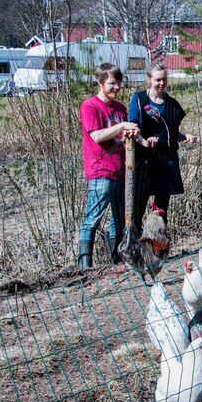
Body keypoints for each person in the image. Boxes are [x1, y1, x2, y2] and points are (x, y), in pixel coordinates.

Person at [78, 63, 151, 269]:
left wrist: (143, 140)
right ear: (100, 82)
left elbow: (127, 134)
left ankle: (116, 260)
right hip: (101, 172)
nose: (117, 87)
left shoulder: (119, 108)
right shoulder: (90, 106)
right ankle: (85, 265)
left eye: (119, 83)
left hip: (122, 171)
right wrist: (121, 126)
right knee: (93, 218)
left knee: (119, 220)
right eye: (112, 83)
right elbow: (97, 135)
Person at [129, 63, 197, 228]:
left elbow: (171, 135)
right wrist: (145, 141)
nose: (161, 83)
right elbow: (133, 128)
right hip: (144, 161)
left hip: (166, 161)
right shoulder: (138, 99)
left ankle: (159, 248)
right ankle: (134, 247)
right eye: (158, 79)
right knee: (137, 207)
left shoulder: (173, 105)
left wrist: (185, 137)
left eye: (164, 80)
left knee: (161, 209)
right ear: (149, 80)